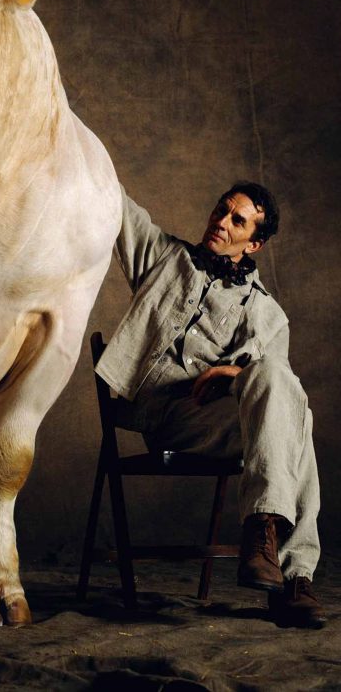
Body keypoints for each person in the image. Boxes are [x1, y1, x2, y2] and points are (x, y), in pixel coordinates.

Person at [96, 182, 325, 628]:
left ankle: (271, 545)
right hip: (166, 415)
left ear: (254, 242)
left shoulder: (267, 314)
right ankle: (291, 572)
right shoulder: (163, 257)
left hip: (219, 428)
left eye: (237, 220)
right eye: (222, 210)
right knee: (299, 424)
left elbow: (277, 391)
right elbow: (115, 202)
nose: (221, 221)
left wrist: (237, 375)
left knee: (290, 408)